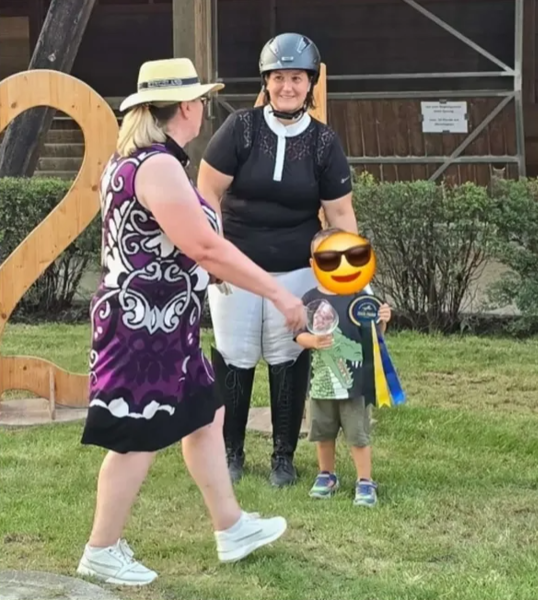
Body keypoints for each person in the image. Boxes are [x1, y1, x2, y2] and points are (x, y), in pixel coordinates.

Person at [76, 58, 307, 587]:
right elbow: (204, 247)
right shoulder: (157, 166)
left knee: (205, 415)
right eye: (201, 100)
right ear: (186, 107)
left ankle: (232, 527)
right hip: (142, 328)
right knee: (135, 435)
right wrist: (277, 293)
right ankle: (101, 550)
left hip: (163, 323)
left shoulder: (139, 160)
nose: (204, 108)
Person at [197, 32, 360, 488]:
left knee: (288, 355)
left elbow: (340, 213)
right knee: (235, 355)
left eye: (296, 78)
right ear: (265, 82)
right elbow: (207, 191)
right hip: (236, 267)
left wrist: (353, 278)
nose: (287, 86)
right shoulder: (241, 128)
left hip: (297, 270)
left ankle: (283, 458)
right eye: (278, 78)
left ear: (310, 84)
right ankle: (231, 453)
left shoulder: (325, 143)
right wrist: (213, 252)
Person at [295, 228, 392, 506]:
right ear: (314, 264)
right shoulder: (309, 300)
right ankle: (326, 475)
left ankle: (365, 481)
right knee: (323, 433)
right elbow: (298, 335)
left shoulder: (360, 295)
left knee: (358, 435)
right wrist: (313, 340)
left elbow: (376, 334)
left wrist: (383, 319)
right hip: (321, 384)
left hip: (355, 385)